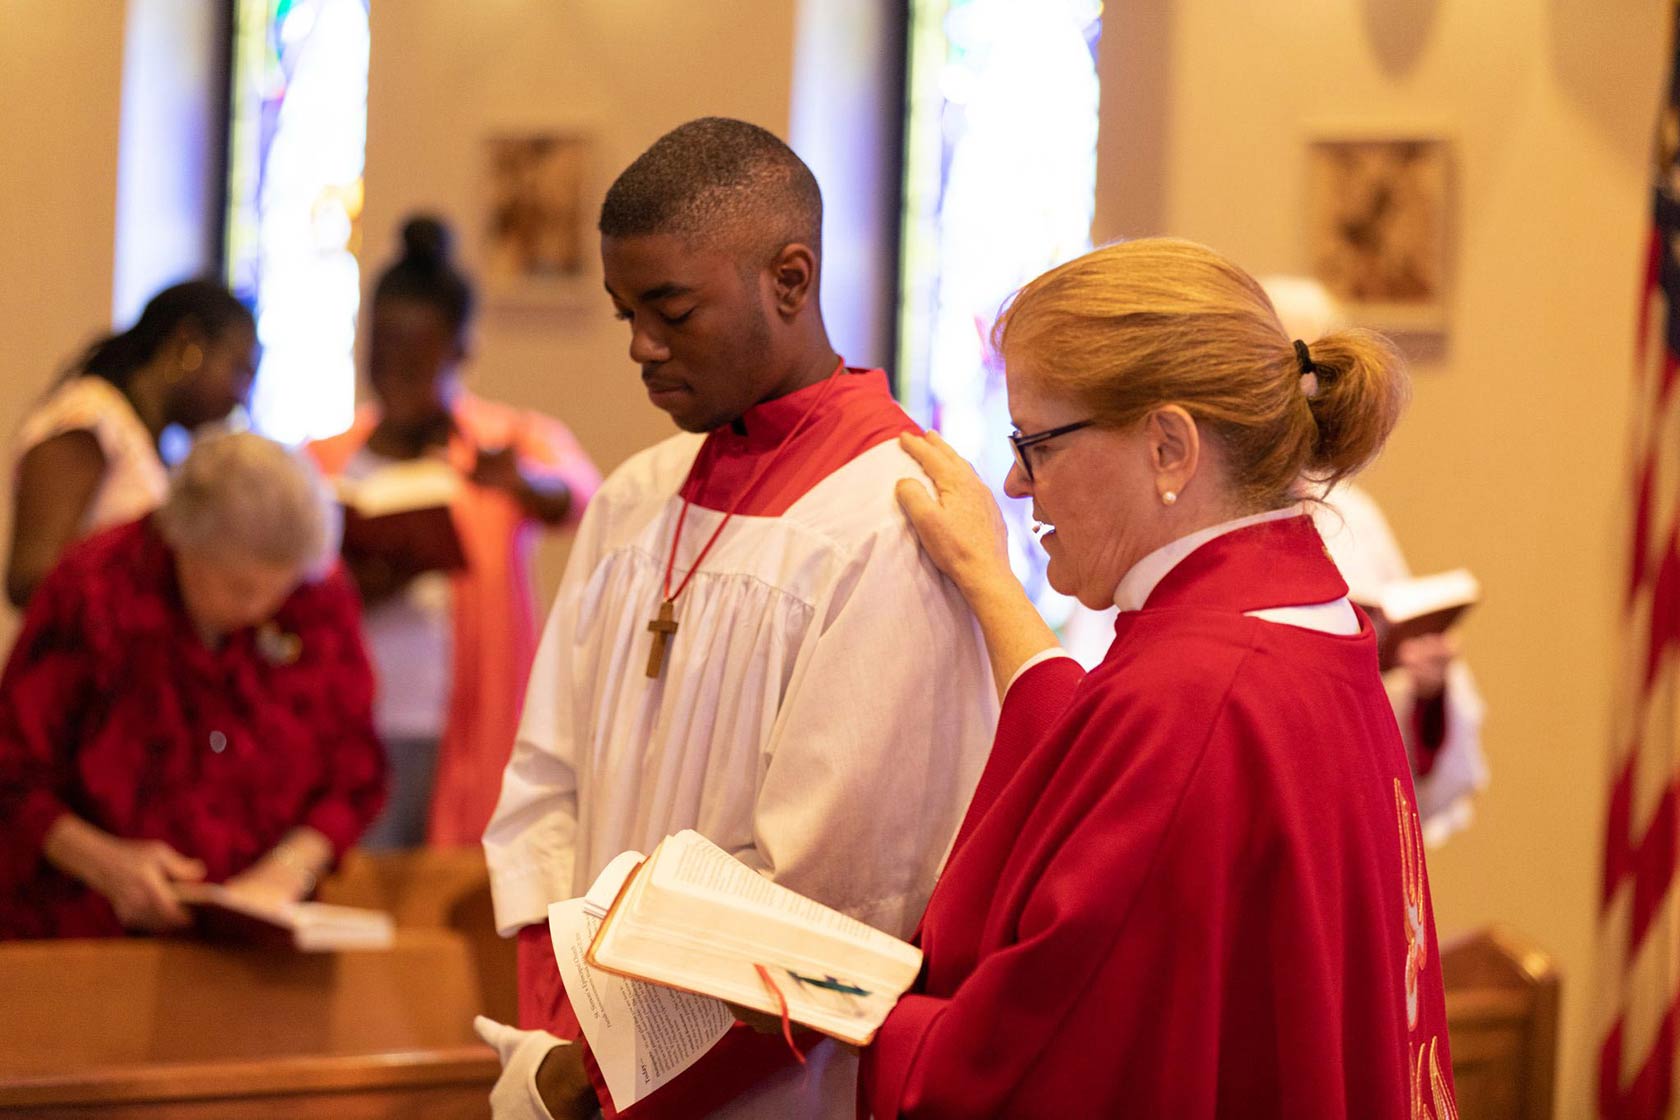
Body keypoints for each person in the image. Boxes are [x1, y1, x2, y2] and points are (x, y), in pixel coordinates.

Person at [859, 238, 1456, 1117]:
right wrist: (989, 581)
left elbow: (1029, 1064)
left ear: (1170, 448)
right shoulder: (1305, 614)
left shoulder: (1192, 698)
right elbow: (1103, 761)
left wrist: (844, 1016)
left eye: (1037, 443)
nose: (1016, 483)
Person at [474, 118, 997, 1119]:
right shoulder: (636, 497)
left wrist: (604, 1082)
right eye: (624, 310)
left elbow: (835, 896)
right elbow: (547, 786)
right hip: (585, 1071)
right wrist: (557, 1040)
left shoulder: (891, 521)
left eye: (671, 308)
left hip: (767, 1086)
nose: (639, 344)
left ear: (790, 279)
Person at [0, 432, 386, 939]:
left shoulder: (318, 595)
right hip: (85, 934)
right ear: (181, 540)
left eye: (279, 588)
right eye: (239, 588)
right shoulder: (93, 589)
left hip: (260, 950)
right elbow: (13, 771)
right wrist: (106, 864)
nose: (259, 608)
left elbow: (354, 769)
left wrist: (288, 871)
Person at [309, 216, 600, 848]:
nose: (396, 375)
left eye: (417, 361)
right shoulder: (326, 459)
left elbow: (581, 497)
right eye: (383, 355)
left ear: (459, 350)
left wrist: (523, 484)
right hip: (349, 721)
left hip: (462, 724)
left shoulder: (499, 447)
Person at [1261, 275, 1487, 843]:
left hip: (1351, 820)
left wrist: (1428, 690)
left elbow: (1417, 749)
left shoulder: (1351, 515)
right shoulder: (1187, 513)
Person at [7, 279, 256, 607]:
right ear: (188, 344)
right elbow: (30, 577)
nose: (242, 396)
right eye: (239, 369)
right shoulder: (88, 418)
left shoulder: (153, 444)